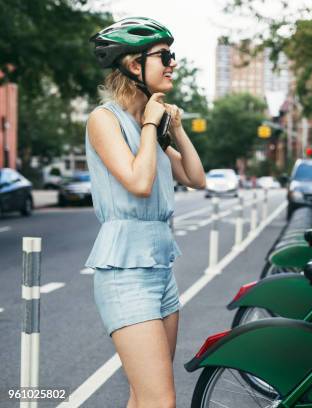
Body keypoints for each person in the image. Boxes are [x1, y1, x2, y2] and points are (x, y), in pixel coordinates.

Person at [86, 17, 205, 408]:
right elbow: (138, 182)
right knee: (160, 401)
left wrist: (175, 128)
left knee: (144, 397)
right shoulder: (105, 120)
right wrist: (152, 124)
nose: (173, 64)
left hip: (160, 271)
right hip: (125, 275)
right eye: (164, 56)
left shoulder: (148, 125)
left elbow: (195, 178)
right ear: (133, 66)